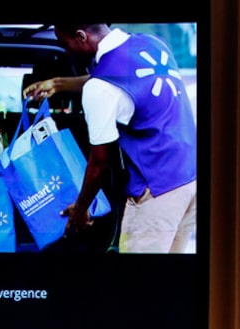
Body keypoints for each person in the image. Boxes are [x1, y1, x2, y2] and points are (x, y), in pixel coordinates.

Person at [25, 20, 197, 253]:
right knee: (169, 283)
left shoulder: (100, 88)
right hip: (190, 181)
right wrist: (59, 84)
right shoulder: (153, 44)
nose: (66, 52)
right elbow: (125, 79)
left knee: (136, 284)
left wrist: (80, 209)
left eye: (65, 45)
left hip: (156, 191)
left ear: (81, 36)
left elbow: (100, 164)